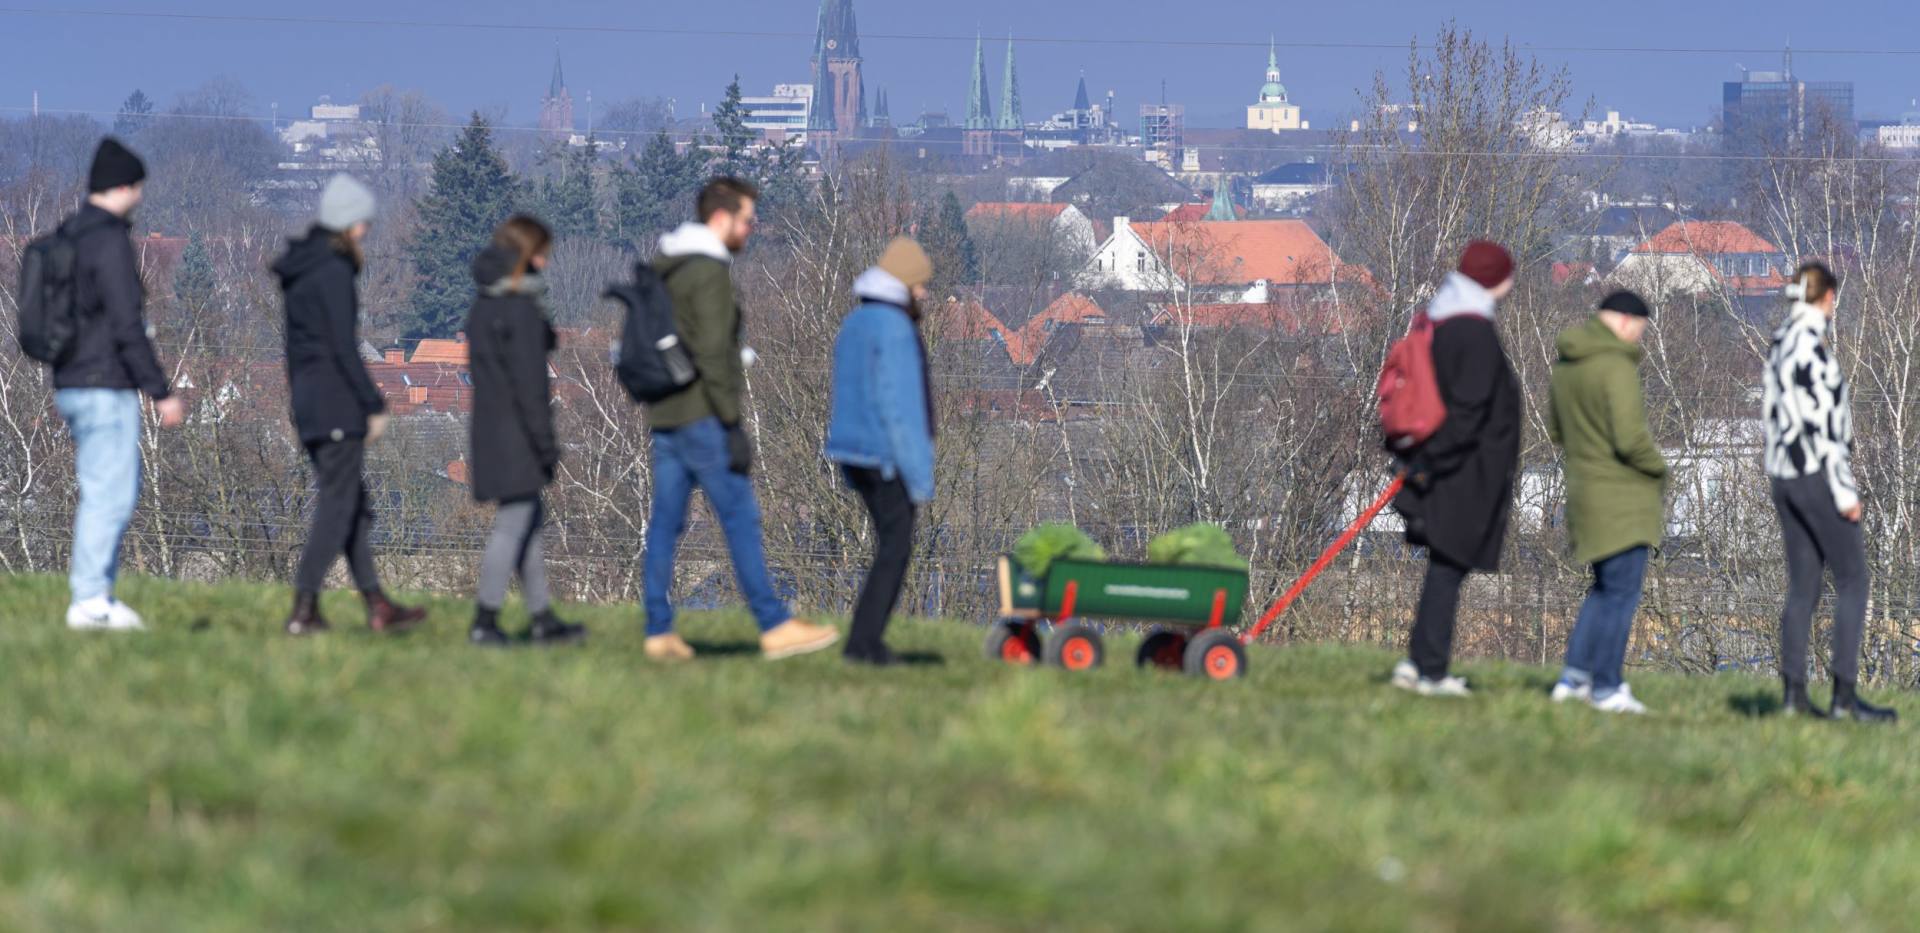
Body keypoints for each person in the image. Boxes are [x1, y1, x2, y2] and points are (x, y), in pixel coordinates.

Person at [641, 177, 840, 661]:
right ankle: (774, 626)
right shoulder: (707, 270)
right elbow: (712, 353)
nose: (752, 229)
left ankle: (658, 630)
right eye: (748, 219)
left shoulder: (668, 265)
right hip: (703, 417)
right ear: (720, 217)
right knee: (742, 518)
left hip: (667, 413)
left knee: (665, 522)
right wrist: (730, 425)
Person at [273, 174, 426, 636]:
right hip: (337, 405)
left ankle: (377, 604)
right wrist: (372, 403)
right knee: (337, 508)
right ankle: (304, 608)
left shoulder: (301, 271)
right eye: (363, 223)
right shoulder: (334, 272)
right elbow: (343, 346)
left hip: (309, 402)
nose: (366, 231)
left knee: (353, 506)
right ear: (348, 223)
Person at [51, 138, 187, 631]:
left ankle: (96, 598)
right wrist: (161, 391)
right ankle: (89, 600)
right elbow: (127, 323)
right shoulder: (108, 241)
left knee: (101, 487)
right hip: (104, 382)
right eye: (138, 188)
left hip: (69, 380)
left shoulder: (68, 235)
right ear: (125, 186)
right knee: (111, 492)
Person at [1764, 262, 1895, 721]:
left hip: (1783, 477)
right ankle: (1843, 697)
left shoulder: (1779, 342)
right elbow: (1824, 430)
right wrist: (1844, 492)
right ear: (1827, 298)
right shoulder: (1813, 351)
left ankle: (1793, 697)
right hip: (1818, 476)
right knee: (1854, 580)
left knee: (1803, 586)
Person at [1390, 242, 1522, 696]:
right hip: (1462, 470)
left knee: (1446, 566)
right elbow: (1468, 408)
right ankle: (1428, 671)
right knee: (1449, 566)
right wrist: (1433, 461)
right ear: (1495, 280)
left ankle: (1421, 663)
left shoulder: (1442, 319)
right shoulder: (1473, 330)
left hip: (1445, 463)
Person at [464, 215, 584, 647]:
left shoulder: (484, 307)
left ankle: (541, 618)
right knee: (514, 524)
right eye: (540, 254)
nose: (545, 264)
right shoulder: (521, 312)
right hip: (518, 437)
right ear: (526, 256)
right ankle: (485, 620)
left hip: (488, 432)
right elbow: (533, 390)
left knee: (529, 520)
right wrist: (547, 447)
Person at [1547, 291, 1667, 715]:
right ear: (1624, 321)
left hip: (1583, 489)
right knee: (1622, 594)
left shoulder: (1568, 364)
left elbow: (1556, 428)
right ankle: (1607, 687)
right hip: (1621, 496)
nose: (1639, 337)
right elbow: (1630, 437)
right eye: (1640, 328)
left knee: (1601, 589)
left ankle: (1574, 677)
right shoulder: (1615, 365)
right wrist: (1660, 469)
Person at [825, 238, 937, 666]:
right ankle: (863, 644)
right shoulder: (896, 328)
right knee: (896, 547)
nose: (924, 293)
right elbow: (902, 406)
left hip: (852, 449)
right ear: (904, 284)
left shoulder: (855, 322)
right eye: (920, 284)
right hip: (885, 453)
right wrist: (919, 475)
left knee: (889, 544)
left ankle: (866, 642)